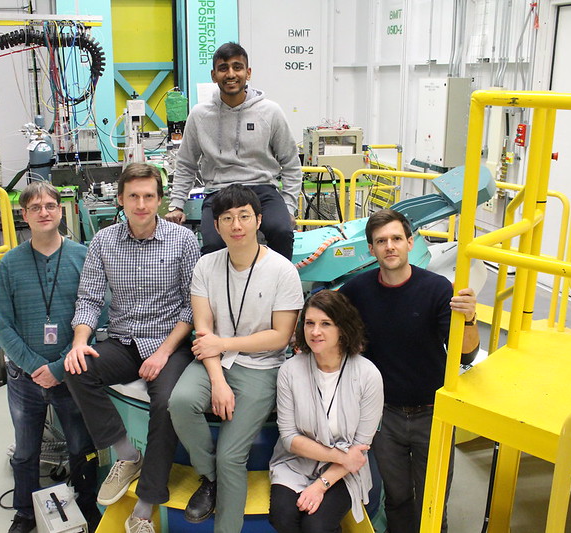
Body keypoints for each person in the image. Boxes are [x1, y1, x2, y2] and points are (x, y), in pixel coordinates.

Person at [63, 163, 200, 533]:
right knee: (75, 369)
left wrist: (163, 353)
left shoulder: (183, 240)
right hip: (124, 341)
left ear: (160, 199)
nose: (141, 204)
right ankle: (127, 454)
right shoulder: (104, 242)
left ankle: (143, 508)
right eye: (134, 196)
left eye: (149, 196)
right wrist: (79, 342)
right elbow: (89, 299)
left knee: (167, 402)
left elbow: (193, 306)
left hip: (170, 343)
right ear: (120, 199)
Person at [168, 184, 304, 532]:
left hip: (261, 367)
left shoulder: (282, 270)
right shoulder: (206, 266)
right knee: (180, 402)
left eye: (244, 216)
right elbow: (203, 330)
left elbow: (280, 335)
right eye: (226, 218)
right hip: (214, 362)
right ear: (217, 225)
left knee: (231, 456)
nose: (236, 225)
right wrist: (217, 381)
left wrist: (224, 345)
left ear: (259, 220)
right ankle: (210, 479)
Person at [338, 209, 480, 533]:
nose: (390, 246)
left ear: (409, 243)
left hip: (434, 414)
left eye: (396, 239)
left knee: (433, 499)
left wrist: (469, 319)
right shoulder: (355, 292)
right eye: (381, 241)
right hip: (384, 416)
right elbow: (325, 325)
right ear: (371, 249)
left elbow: (467, 352)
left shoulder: (437, 289)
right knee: (397, 498)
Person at [0, 182, 101, 533]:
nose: (44, 212)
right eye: (35, 207)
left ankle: (87, 503)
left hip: (70, 373)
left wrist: (58, 367)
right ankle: (25, 511)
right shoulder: (9, 264)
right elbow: (3, 326)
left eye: (50, 206)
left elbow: (97, 312)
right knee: (25, 452)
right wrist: (35, 367)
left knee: (80, 445)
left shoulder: (82, 257)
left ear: (60, 210)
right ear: (24, 215)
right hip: (24, 379)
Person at [165, 42, 302, 260]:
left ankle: (279, 287)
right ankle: (219, 293)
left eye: (237, 67)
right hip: (219, 192)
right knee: (213, 245)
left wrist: (288, 207)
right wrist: (176, 205)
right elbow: (186, 163)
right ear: (214, 75)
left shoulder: (270, 111)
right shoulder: (199, 115)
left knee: (281, 231)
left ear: (248, 73)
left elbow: (291, 164)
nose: (231, 74)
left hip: (262, 190)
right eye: (223, 68)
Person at [269, 290, 384, 533]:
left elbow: (360, 448)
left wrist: (320, 485)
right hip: (296, 463)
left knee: (316, 526)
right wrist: (342, 456)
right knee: (283, 517)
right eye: (309, 323)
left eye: (325, 324)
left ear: (342, 328)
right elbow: (290, 438)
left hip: (345, 472)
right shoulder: (290, 371)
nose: (315, 332)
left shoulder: (368, 375)